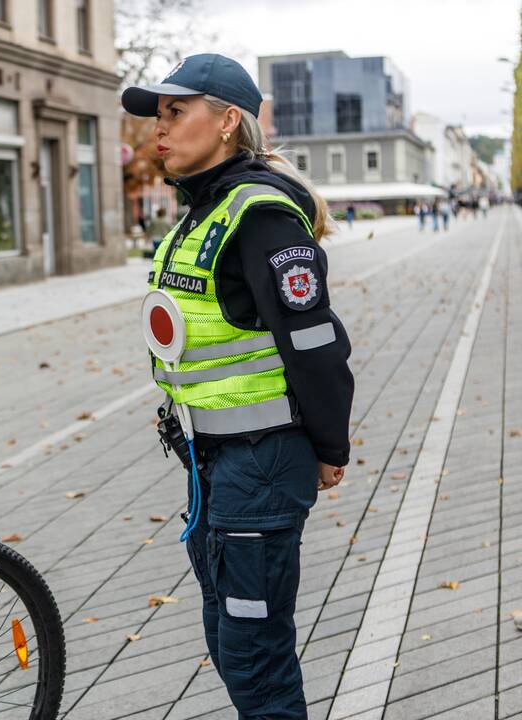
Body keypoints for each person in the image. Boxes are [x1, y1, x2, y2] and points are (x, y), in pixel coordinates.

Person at [123, 53, 353, 719]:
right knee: (229, 642)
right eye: (157, 115)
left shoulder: (258, 214)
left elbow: (314, 344)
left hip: (260, 460)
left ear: (228, 122)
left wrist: (329, 448)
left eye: (175, 112)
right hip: (212, 464)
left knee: (255, 658)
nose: (159, 129)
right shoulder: (203, 212)